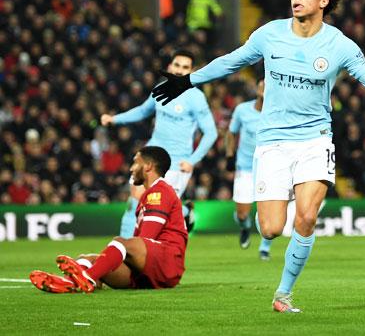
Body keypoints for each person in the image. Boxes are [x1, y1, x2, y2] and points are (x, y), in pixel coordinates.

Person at [151, 0, 365, 313]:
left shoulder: (339, 45)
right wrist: (189, 80)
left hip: (315, 139)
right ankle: (268, 214)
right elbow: (232, 61)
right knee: (270, 229)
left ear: (324, 2)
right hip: (271, 141)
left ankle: (283, 294)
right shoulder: (269, 34)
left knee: (306, 217)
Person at [29, 146, 188, 293]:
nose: (131, 168)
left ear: (148, 166)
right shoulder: (149, 195)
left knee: (121, 243)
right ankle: (70, 283)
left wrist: (119, 255)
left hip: (167, 263)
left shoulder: (159, 192)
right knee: (89, 259)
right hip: (149, 270)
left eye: (135, 163)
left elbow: (146, 238)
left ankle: (86, 277)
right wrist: (106, 263)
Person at [101, 49, 217, 237]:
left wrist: (192, 161)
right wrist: (115, 119)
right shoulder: (160, 88)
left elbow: (211, 132)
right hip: (151, 156)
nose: (179, 71)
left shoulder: (196, 98)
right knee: (134, 202)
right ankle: (122, 250)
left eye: (185, 67)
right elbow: (142, 111)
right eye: (177, 65)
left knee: (163, 208)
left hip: (177, 162)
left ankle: (186, 213)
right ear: (170, 66)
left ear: (191, 71)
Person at [226, 78, 291, 260]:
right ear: (257, 88)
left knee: (269, 211)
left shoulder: (280, 113)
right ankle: (245, 226)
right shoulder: (242, 110)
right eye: (263, 84)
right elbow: (231, 133)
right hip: (245, 167)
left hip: (269, 167)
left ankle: (264, 247)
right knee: (242, 213)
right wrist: (230, 155)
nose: (265, 88)